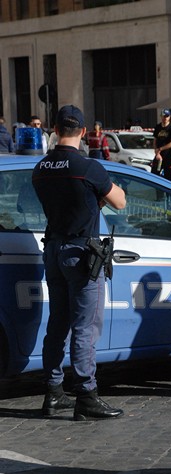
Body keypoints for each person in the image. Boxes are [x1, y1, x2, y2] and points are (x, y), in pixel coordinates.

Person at [32, 105, 126, 420]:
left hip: (53, 249)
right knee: (85, 326)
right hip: (82, 253)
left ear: (55, 129)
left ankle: (53, 392)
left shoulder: (41, 167)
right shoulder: (88, 167)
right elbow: (120, 201)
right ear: (84, 132)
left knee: (57, 322)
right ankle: (86, 394)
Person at [152, 109, 171, 180]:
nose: (165, 118)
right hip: (159, 156)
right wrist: (157, 152)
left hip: (168, 156)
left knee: (168, 177)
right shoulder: (158, 127)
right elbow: (155, 140)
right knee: (155, 174)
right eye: (163, 116)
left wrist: (161, 149)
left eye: (166, 116)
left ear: (169, 117)